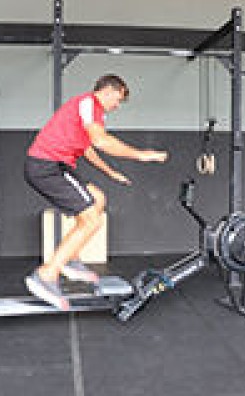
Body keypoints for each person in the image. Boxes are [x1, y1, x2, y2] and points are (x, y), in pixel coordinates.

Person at [24, 74, 168, 310]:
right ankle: (46, 275)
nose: (117, 105)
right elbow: (102, 141)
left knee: (98, 199)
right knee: (91, 220)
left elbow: (89, 149)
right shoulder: (88, 103)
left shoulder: (88, 112)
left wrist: (110, 172)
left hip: (55, 166)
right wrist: (142, 155)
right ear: (108, 91)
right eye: (118, 99)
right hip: (47, 167)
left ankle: (71, 259)